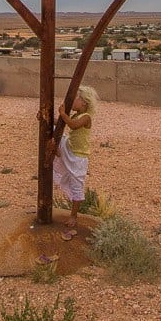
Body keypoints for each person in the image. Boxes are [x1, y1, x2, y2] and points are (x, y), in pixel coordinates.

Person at [52, 85, 98, 238]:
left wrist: (63, 113)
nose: (74, 100)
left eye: (77, 98)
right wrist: (48, 117)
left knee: (77, 184)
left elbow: (72, 125)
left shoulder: (86, 117)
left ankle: (74, 215)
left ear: (85, 103)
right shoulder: (74, 114)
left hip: (78, 156)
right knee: (55, 135)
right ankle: (57, 152)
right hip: (69, 148)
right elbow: (61, 123)